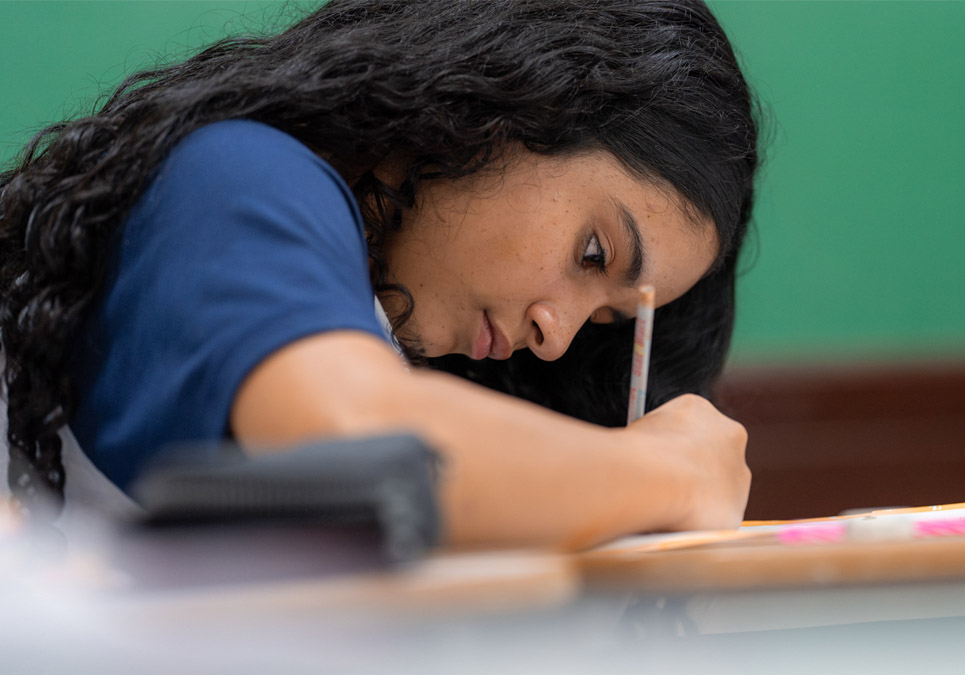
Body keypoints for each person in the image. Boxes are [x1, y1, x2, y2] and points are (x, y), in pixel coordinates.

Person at [0, 0, 759, 549]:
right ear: (512, 101)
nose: (554, 338)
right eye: (592, 254)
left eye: (602, 320)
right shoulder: (243, 177)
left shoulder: (383, 325)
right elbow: (356, 447)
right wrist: (668, 472)